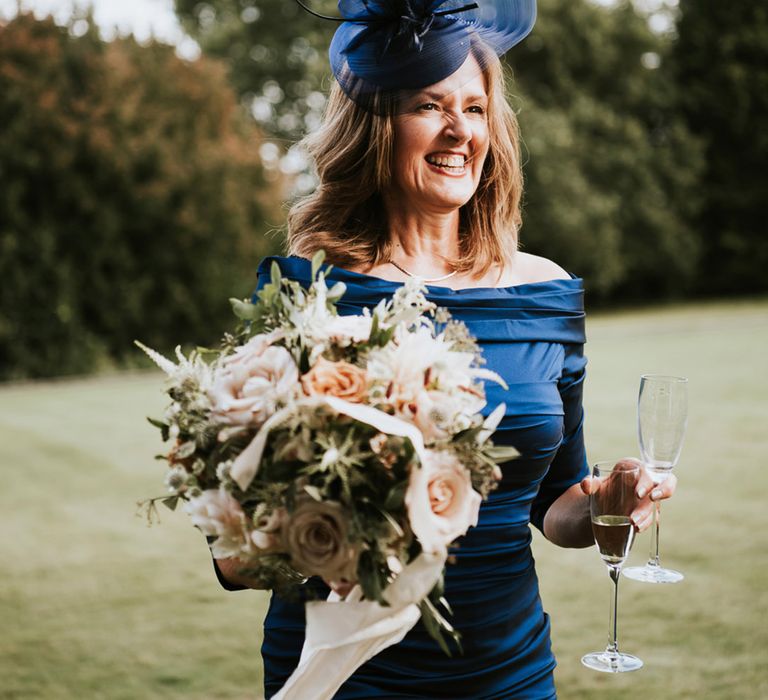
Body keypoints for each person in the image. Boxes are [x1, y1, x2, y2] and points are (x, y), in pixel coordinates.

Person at [214, 1, 677, 697]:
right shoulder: (305, 297)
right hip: (347, 678)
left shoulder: (545, 294)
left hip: (510, 672)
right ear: (376, 126)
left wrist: (608, 500)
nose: (461, 130)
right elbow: (231, 559)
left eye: (477, 108)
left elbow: (556, 505)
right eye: (430, 106)